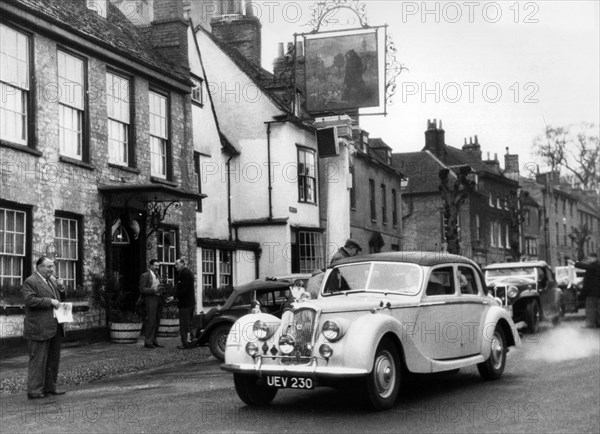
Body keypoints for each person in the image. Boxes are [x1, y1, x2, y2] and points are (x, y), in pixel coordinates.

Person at [21, 256, 67, 399]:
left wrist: (61, 287)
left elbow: (60, 300)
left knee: (53, 359)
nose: (52, 269)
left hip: (54, 326)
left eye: (52, 266)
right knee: (38, 359)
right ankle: (35, 390)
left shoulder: (51, 281)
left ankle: (50, 388)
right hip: (38, 327)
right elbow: (29, 300)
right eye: (48, 266)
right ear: (39, 267)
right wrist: (50, 301)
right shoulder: (30, 281)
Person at [139, 259, 164, 348]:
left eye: (158, 265)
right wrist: (153, 290)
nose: (157, 267)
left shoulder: (157, 275)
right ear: (150, 265)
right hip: (150, 299)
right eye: (155, 265)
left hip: (158, 299)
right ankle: (148, 341)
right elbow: (142, 289)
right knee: (151, 320)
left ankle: (154, 340)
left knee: (157, 320)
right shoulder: (145, 275)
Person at [173, 258, 196, 349]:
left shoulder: (185, 274)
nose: (175, 266)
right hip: (190, 303)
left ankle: (185, 343)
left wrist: (174, 297)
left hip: (185, 304)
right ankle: (191, 341)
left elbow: (184, 290)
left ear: (182, 264)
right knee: (189, 324)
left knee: (184, 325)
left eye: (177, 264)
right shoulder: (187, 272)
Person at [575, 253, 600, 328]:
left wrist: (575, 263)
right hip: (596, 292)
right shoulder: (595, 266)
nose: (588, 260)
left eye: (589, 258)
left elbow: (584, 266)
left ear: (594, 258)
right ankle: (597, 323)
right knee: (597, 309)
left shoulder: (595, 265)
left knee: (590, 309)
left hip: (592, 292)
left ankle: (591, 324)